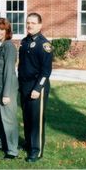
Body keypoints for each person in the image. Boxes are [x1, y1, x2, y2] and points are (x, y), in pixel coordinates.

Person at [18, 12, 53, 162]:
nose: (29, 25)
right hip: (25, 85)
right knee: (27, 116)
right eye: (28, 23)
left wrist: (38, 89)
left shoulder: (44, 45)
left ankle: (36, 150)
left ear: (40, 25)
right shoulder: (25, 41)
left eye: (33, 23)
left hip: (37, 85)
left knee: (36, 119)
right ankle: (28, 143)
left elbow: (46, 71)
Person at [0, 18, 19, 159]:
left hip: (6, 88)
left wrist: (6, 94)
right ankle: (0, 144)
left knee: (8, 119)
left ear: (7, 31)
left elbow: (9, 70)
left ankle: (12, 150)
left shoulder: (8, 46)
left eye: (2, 29)